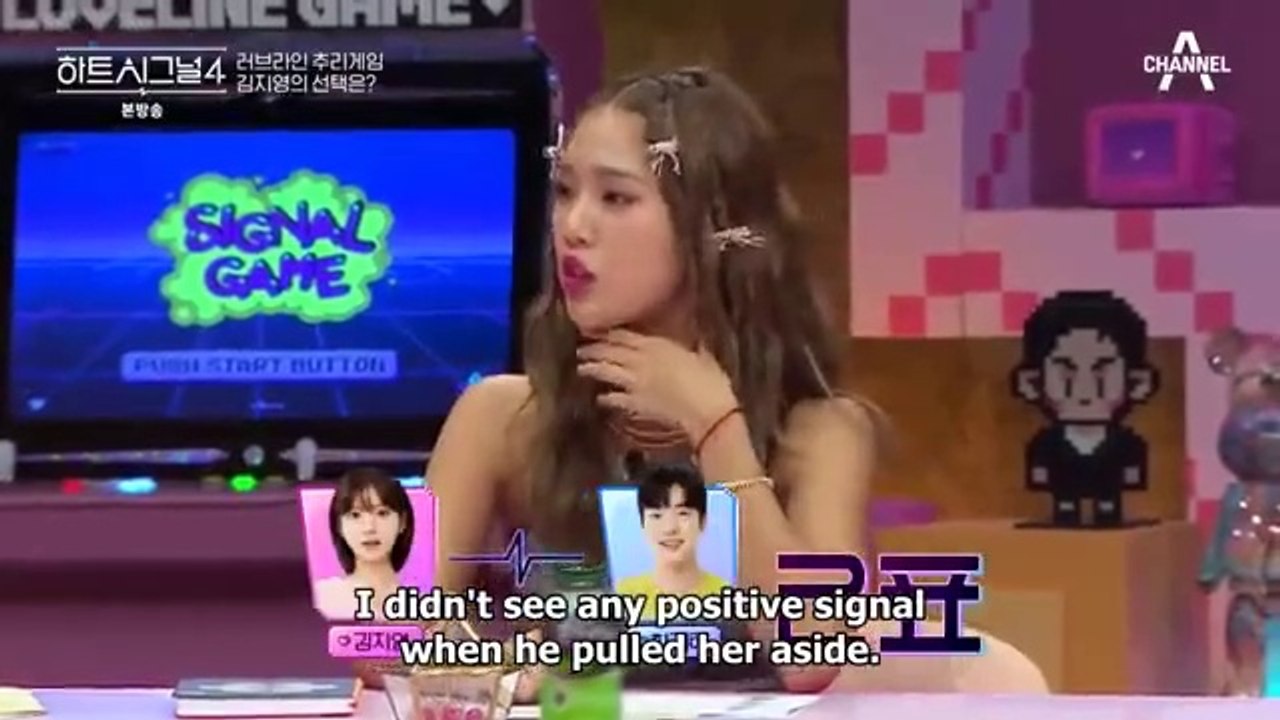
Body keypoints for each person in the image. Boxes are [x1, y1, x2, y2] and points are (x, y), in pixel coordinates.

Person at [428, 66, 1035, 695]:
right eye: (563, 191)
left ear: (711, 228)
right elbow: (386, 635)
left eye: (615, 198)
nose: (572, 226)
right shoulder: (501, 420)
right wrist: (484, 663)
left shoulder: (821, 433)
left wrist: (716, 430)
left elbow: (813, 653)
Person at [1012, 291, 1158, 528]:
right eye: (1065, 371)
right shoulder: (1046, 445)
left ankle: (1106, 511)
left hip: (1113, 516)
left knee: (1108, 508)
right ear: (1031, 383)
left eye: (1102, 371)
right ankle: (1067, 510)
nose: (1084, 389)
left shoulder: (1127, 444)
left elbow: (1132, 474)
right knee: (1065, 508)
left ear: (1138, 383)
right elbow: (1040, 474)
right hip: (1060, 511)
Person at [615, 463, 730, 616]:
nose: (670, 528)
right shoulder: (623, 595)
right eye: (656, 515)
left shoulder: (726, 596)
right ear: (642, 524)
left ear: (703, 521)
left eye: (683, 513)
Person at [312, 467, 416, 621]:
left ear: (402, 522)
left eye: (382, 513)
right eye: (355, 515)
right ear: (339, 526)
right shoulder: (322, 599)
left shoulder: (422, 607)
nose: (369, 528)